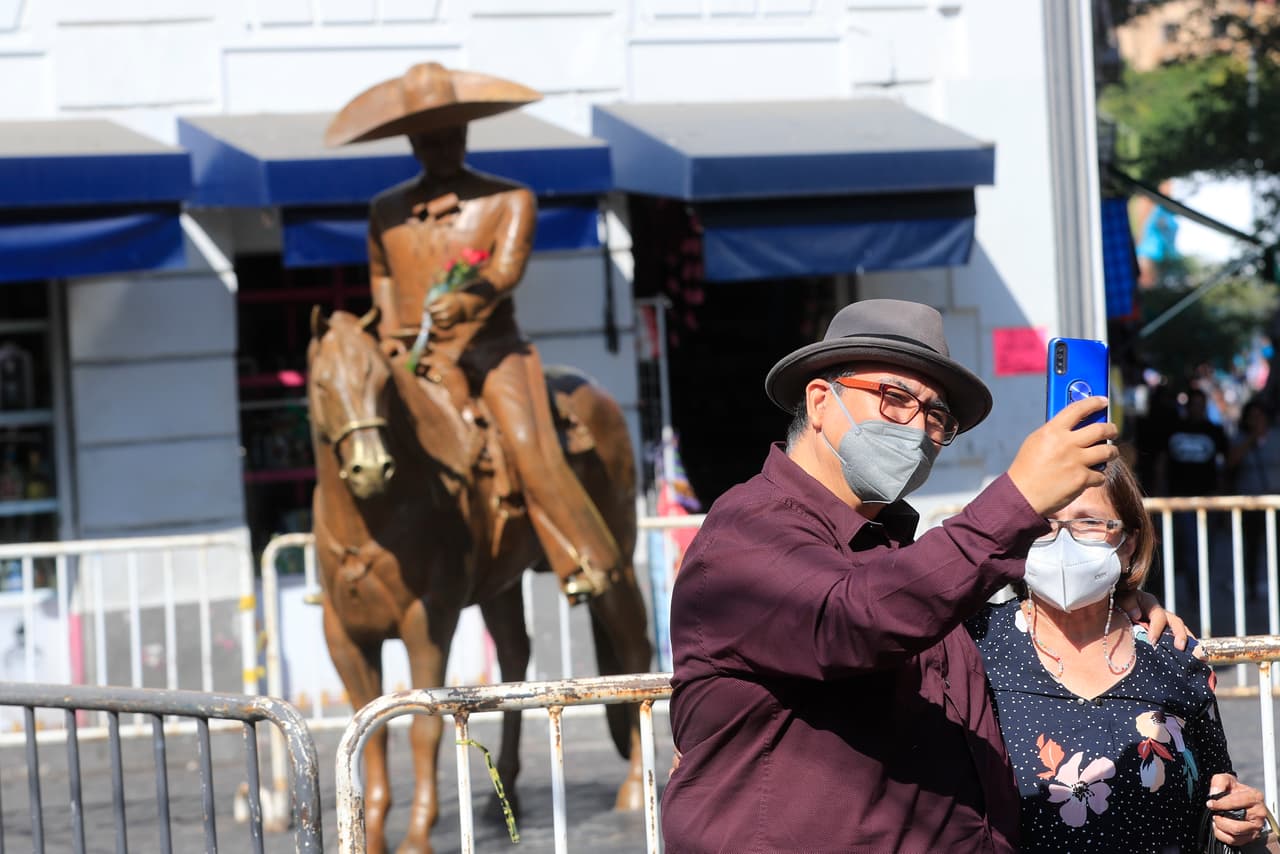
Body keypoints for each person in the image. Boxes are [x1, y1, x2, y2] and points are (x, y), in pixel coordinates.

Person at [663, 298, 1148, 852]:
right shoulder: (747, 532)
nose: (917, 428)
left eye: (937, 416)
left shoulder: (892, 547)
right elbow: (856, 618)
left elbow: (935, 605)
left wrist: (1117, 607)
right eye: (895, 399)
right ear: (821, 401)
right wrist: (1019, 498)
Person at [326, 62, 621, 602]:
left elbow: (506, 271)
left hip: (490, 351)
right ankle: (354, 561)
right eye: (429, 139)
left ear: (465, 135)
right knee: (355, 423)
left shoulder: (508, 199)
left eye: (451, 135)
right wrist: (393, 338)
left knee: (529, 442)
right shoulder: (386, 211)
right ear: (412, 143)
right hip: (412, 357)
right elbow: (382, 278)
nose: (441, 147)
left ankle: (587, 556)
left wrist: (465, 300)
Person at [968, 455, 1269, 852]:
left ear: (1128, 542)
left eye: (1088, 521)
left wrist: (1249, 826)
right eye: (1044, 522)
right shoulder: (975, 644)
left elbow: (1219, 795)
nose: (1062, 539)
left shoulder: (1174, 655)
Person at [1156, 386, 1228, 600]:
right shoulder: (1173, 429)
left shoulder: (1214, 431)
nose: (1197, 409)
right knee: (1188, 547)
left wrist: (1222, 493)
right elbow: (1162, 461)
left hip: (1209, 498)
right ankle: (1195, 590)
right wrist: (1161, 489)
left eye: (1200, 405)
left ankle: (1200, 588)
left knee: (1206, 547)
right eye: (1193, 405)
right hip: (1180, 498)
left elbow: (1225, 463)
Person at [1228, 398, 1280, 599]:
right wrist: (1251, 440)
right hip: (1249, 501)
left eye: (1260, 417)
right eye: (1252, 417)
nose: (1257, 420)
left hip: (1275, 502)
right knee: (1252, 547)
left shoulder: (1276, 438)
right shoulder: (1240, 439)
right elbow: (1231, 462)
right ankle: (1251, 587)